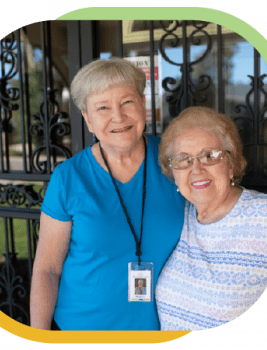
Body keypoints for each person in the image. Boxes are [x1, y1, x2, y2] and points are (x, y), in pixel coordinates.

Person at [29, 57, 185, 330]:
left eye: (127, 102)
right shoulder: (68, 177)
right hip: (82, 328)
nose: (118, 117)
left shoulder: (176, 161)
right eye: (102, 107)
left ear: (143, 105)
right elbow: (47, 269)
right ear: (88, 120)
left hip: (167, 326)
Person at [155, 106, 267, 331]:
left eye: (209, 156)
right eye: (183, 159)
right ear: (173, 173)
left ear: (230, 164)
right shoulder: (180, 216)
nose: (196, 169)